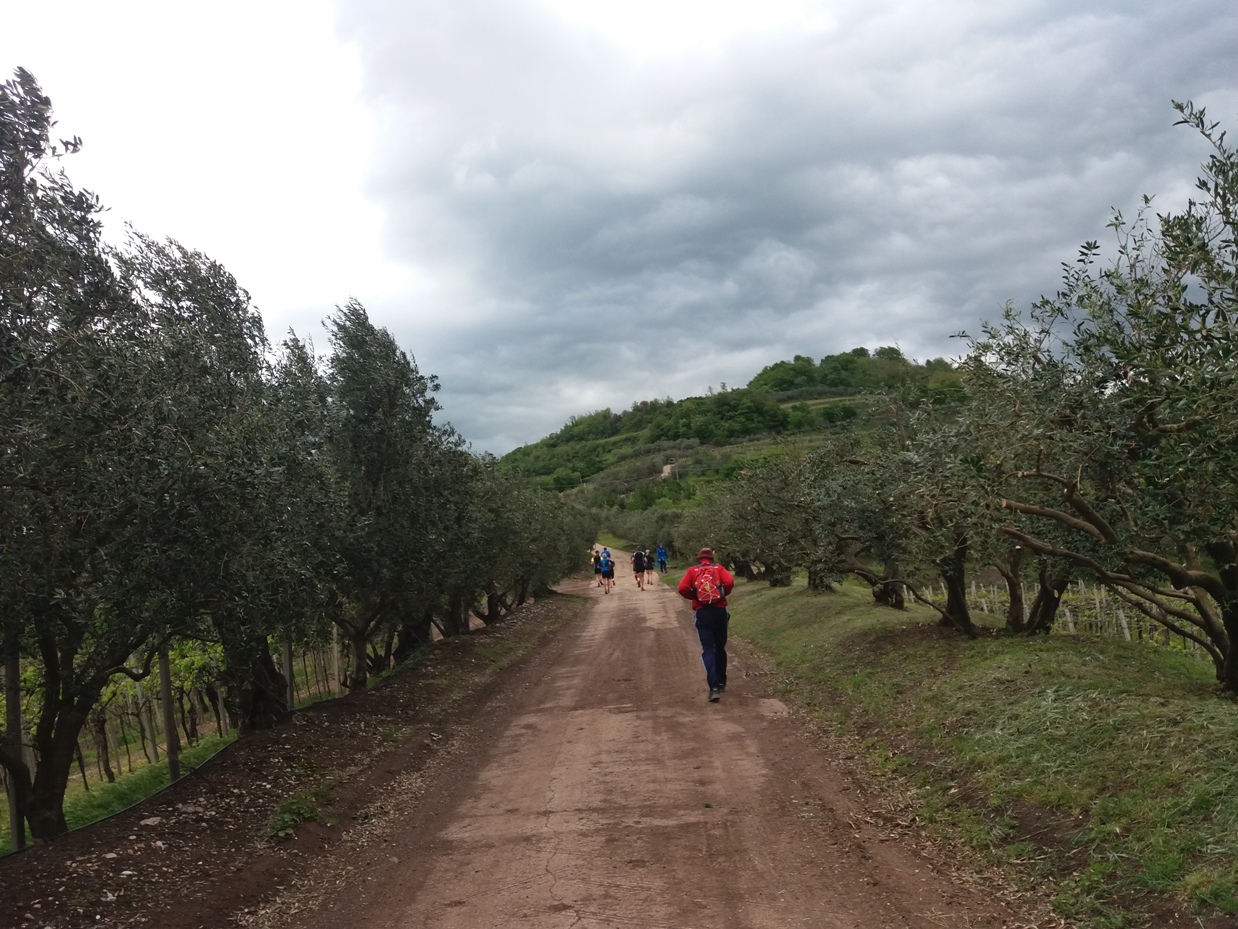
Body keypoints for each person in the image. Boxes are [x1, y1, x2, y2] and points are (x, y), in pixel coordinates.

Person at [677, 547, 735, 702]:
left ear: (698, 558)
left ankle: (714, 687)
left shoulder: (692, 571)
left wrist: (695, 596)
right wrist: (722, 594)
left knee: (708, 649)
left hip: (703, 613)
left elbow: (682, 588)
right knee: (720, 647)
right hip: (719, 612)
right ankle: (722, 681)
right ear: (711, 558)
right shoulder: (719, 568)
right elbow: (729, 581)